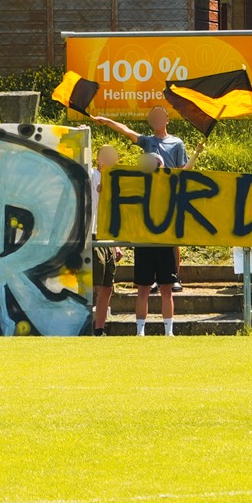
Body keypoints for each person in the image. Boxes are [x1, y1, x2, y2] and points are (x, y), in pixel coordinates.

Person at [88, 104, 190, 291]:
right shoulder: (147, 141)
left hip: (168, 193)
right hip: (148, 194)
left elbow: (183, 170)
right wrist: (107, 121)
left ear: (167, 120)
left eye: (160, 116)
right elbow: (127, 131)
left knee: (171, 237)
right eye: (153, 117)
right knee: (148, 234)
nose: (157, 120)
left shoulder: (177, 143)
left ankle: (174, 277)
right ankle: (151, 279)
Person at [129, 151, 178, 336]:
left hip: (165, 243)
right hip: (144, 243)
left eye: (156, 164)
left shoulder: (170, 185)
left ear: (162, 165)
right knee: (143, 288)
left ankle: (169, 331)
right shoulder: (135, 185)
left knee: (167, 289)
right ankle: (140, 332)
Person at [88, 144, 122, 336]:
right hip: (92, 234)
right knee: (93, 281)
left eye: (112, 155)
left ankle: (99, 329)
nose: (109, 158)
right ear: (98, 159)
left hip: (108, 236)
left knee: (108, 285)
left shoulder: (118, 181)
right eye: (105, 155)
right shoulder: (91, 175)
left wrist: (116, 244)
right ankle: (84, 325)